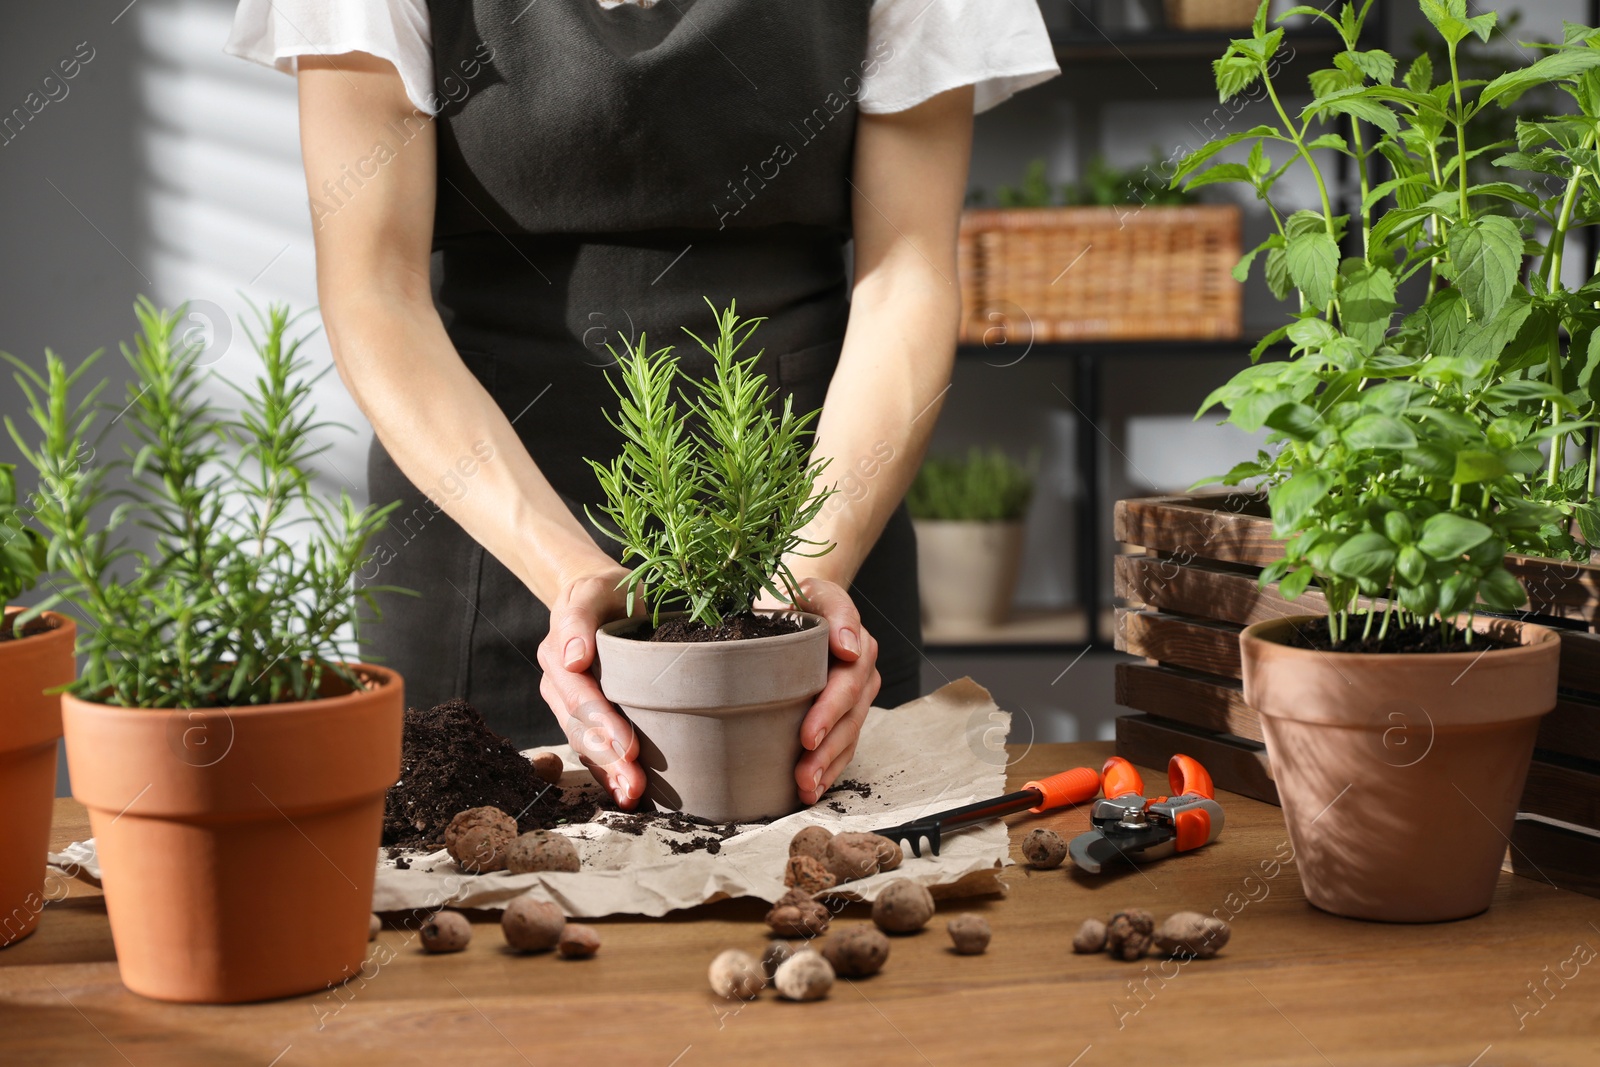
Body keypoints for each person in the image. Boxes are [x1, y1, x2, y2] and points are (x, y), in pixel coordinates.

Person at [227, 0, 1058, 809]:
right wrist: (572, 575)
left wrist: (801, 588)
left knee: (837, 908)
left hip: (814, 536)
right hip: (483, 557)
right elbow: (377, 293)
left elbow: (906, 278)